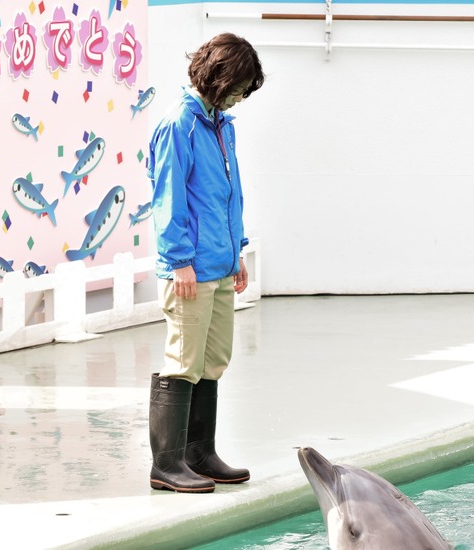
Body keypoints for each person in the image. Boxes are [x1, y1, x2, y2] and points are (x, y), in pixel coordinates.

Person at [146, 33, 265, 493]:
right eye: (238, 87)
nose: (241, 97)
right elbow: (168, 198)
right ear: (217, 77)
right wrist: (179, 262)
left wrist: (236, 252)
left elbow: (226, 196)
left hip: (219, 264)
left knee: (213, 360)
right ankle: (166, 464)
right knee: (183, 360)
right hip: (189, 268)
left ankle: (199, 452)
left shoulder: (222, 124)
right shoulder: (180, 124)